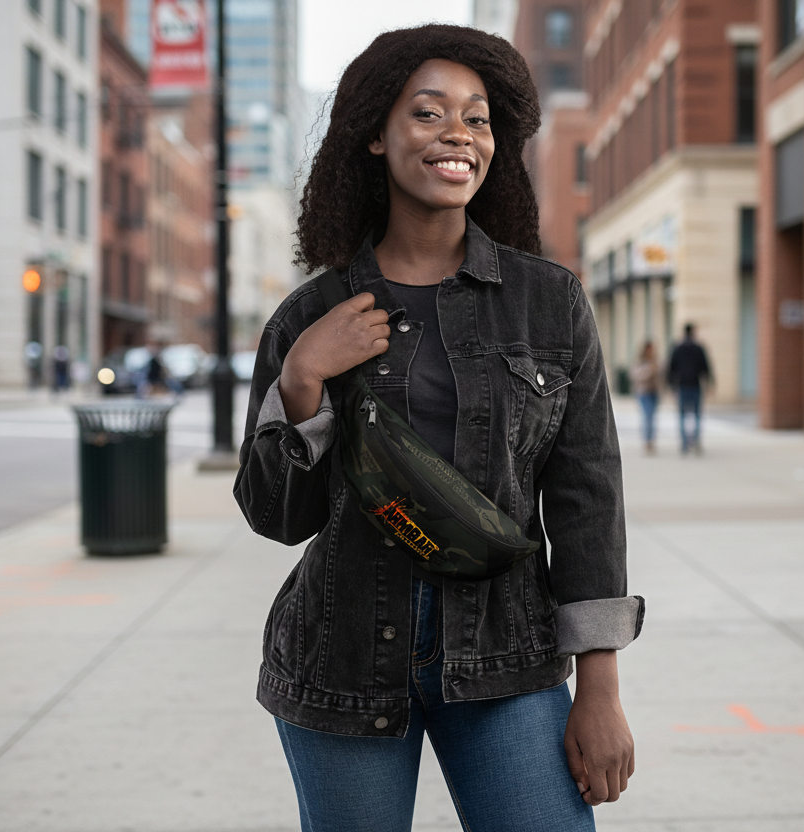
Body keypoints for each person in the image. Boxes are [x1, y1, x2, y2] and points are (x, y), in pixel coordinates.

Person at [234, 25, 642, 832]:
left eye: (477, 118)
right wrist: (304, 379)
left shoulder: (548, 302)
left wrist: (598, 686)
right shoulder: (309, 316)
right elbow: (278, 518)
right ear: (377, 139)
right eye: (428, 113)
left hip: (509, 658)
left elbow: (587, 499)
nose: (458, 132)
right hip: (340, 659)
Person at [666, 323, 713, 455]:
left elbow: (671, 368)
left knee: (682, 415)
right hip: (695, 384)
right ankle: (696, 441)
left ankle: (684, 444)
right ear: (692, 332)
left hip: (682, 385)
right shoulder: (698, 348)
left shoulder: (677, 347)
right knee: (697, 415)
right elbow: (706, 367)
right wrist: (709, 384)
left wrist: (670, 385)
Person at [631, 341, 661, 455]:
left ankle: (651, 440)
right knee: (647, 416)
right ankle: (647, 441)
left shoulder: (656, 361)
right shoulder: (640, 362)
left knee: (652, 417)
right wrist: (649, 370)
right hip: (644, 392)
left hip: (654, 392)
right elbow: (635, 374)